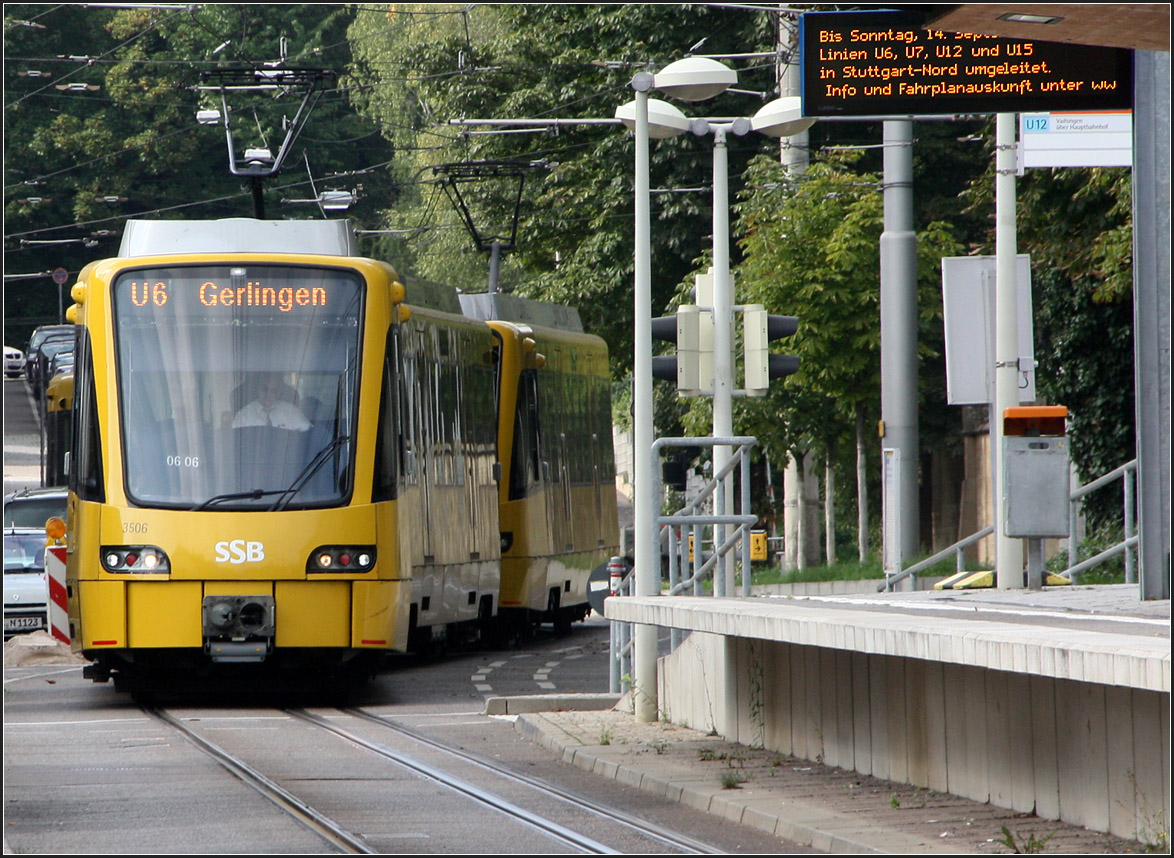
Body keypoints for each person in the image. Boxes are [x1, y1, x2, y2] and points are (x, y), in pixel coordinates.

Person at [232, 374, 311, 431]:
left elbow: (309, 432)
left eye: (274, 391)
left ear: (279, 392)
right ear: (257, 389)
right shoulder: (243, 416)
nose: (268, 395)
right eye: (264, 389)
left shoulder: (291, 411)